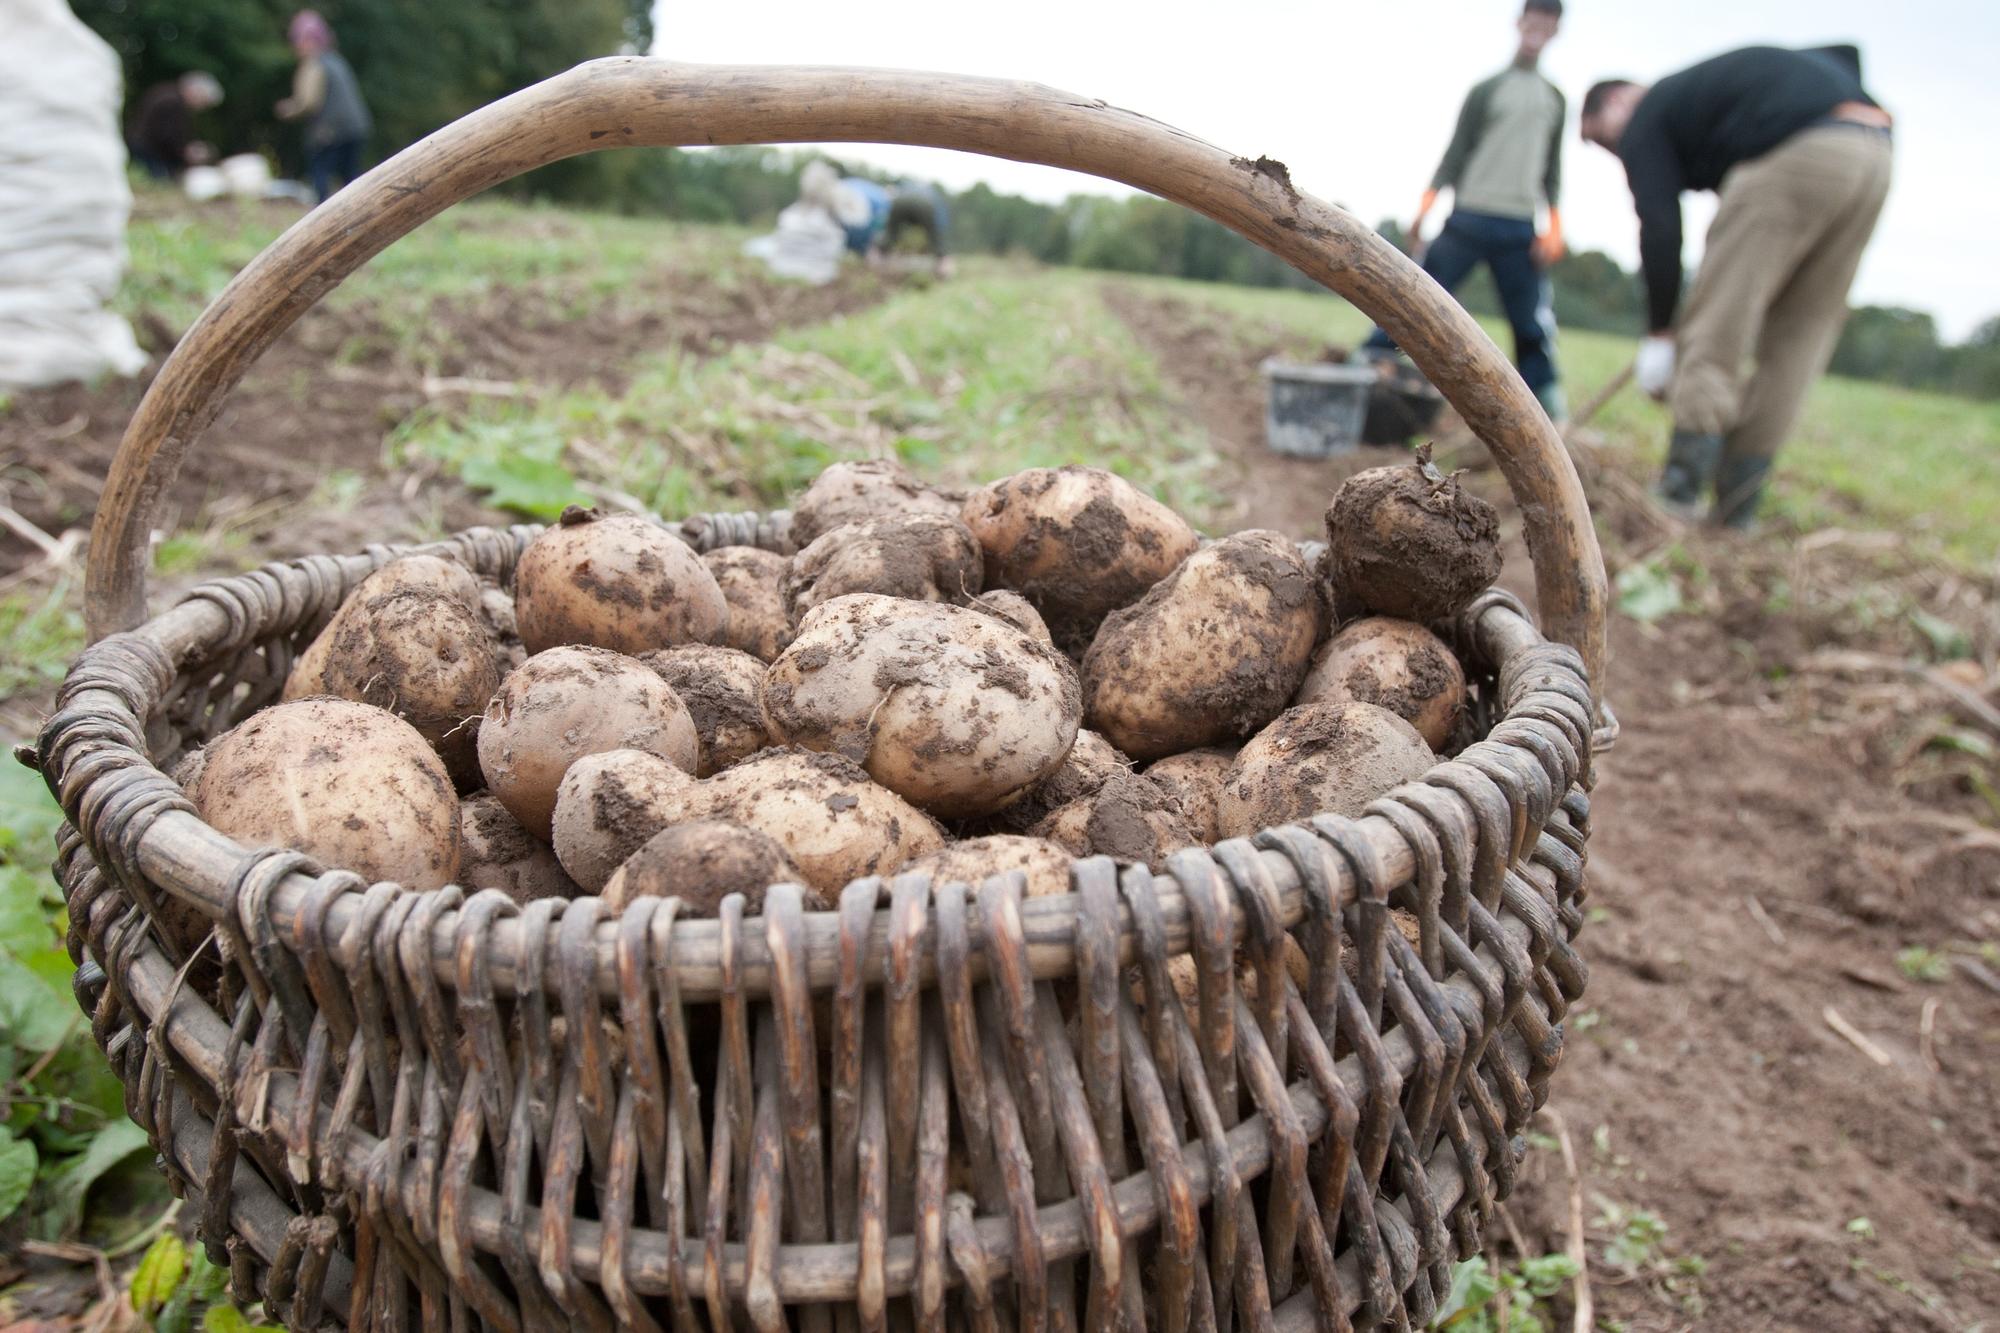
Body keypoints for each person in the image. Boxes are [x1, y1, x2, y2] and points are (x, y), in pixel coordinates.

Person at [1581, 47, 1892, 527]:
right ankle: (1736, 511)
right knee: (1800, 337)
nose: (1618, 154)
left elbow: (1660, 227)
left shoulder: (1647, 113)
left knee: (1718, 324)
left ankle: (1678, 498)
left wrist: (1660, 332)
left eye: (1604, 139)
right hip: (1873, 151)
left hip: (1797, 151)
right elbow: (1844, 52)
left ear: (1622, 100)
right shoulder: (1718, 94)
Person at [1364, 0, 1569, 422]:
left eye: (1548, 22)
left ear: (1555, 31)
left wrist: (1554, 227)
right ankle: (1367, 360)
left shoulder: (1554, 99)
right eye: (1534, 18)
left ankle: (1548, 410)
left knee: (1530, 321)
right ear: (1520, 22)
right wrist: (1425, 209)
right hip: (1470, 215)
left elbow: (1552, 173)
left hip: (1519, 226)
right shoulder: (1488, 88)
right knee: (1420, 296)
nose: (1538, 27)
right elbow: (1455, 154)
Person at [274, 10, 371, 204]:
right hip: (356, 128)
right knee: (351, 182)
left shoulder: (314, 64)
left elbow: (309, 102)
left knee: (321, 177)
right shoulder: (337, 60)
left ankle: (321, 218)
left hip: (329, 133)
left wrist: (288, 109)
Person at [797, 162, 952, 276]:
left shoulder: (855, 196)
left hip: (892, 214)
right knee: (934, 245)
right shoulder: (921, 199)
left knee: (894, 240)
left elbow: (879, 221)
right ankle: (943, 266)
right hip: (896, 213)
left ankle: (942, 265)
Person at [126, 72, 223, 180]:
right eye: (204, 101)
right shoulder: (173, 103)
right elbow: (166, 136)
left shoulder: (166, 93)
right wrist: (186, 152)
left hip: (142, 146)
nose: (201, 107)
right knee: (161, 181)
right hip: (148, 152)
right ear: (197, 92)